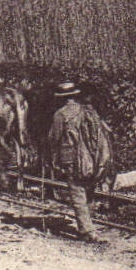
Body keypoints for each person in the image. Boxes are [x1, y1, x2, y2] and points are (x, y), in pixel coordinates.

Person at [45, 80, 114, 242]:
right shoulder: (89, 112)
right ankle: (89, 223)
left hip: (72, 160)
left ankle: (87, 231)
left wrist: (53, 159)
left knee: (77, 194)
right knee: (86, 191)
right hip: (92, 158)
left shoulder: (61, 114)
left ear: (62, 98)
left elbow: (53, 138)